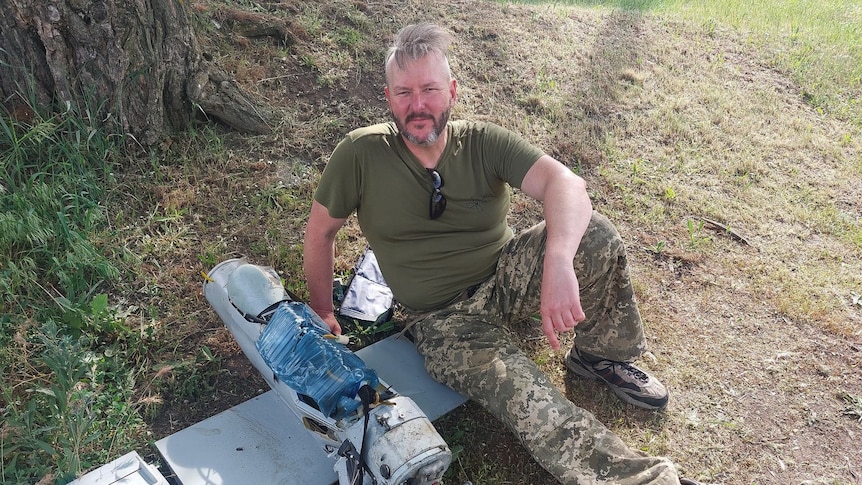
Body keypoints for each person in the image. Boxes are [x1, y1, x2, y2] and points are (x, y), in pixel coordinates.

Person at [303, 22, 701, 485]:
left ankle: (599, 355)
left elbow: (566, 185)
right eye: (404, 92)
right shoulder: (360, 154)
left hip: (506, 276)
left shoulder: (484, 142)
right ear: (388, 97)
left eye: (429, 89)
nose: (418, 106)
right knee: (531, 400)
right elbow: (320, 234)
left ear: (451, 90)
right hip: (443, 319)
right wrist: (322, 309)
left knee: (594, 234)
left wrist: (555, 263)